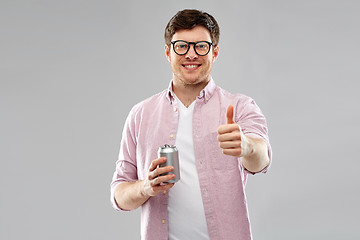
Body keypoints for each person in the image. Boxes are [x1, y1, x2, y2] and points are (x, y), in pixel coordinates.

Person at [110, 9, 272, 240]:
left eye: (201, 46)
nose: (191, 54)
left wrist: (246, 147)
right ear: (168, 52)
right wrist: (145, 186)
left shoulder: (240, 106)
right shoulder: (140, 114)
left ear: (215, 52)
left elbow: (261, 159)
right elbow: (119, 195)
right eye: (182, 46)